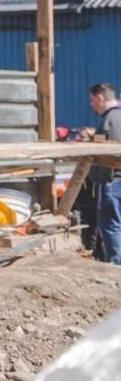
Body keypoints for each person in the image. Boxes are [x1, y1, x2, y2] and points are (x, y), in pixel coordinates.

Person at [89, 83, 121, 264]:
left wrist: (97, 178)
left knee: (111, 226)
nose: (92, 104)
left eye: (92, 100)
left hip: (113, 181)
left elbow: (104, 157)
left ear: (100, 98)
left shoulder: (109, 121)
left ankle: (116, 267)